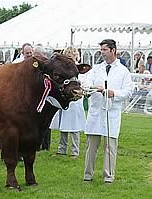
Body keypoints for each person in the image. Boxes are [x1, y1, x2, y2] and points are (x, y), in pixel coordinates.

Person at [83, 39, 133, 183]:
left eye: (105, 50)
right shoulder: (96, 68)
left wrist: (114, 93)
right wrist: (94, 87)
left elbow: (128, 91)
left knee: (110, 147)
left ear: (113, 50)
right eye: (101, 50)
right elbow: (85, 83)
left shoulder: (123, 71)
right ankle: (88, 175)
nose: (102, 53)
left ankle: (108, 176)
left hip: (111, 113)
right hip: (96, 112)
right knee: (91, 147)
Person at [50, 47, 86, 157]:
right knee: (64, 125)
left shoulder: (79, 70)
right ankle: (62, 149)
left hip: (75, 100)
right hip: (65, 100)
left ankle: (75, 151)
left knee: (74, 127)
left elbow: (84, 82)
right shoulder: (65, 70)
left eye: (72, 56)